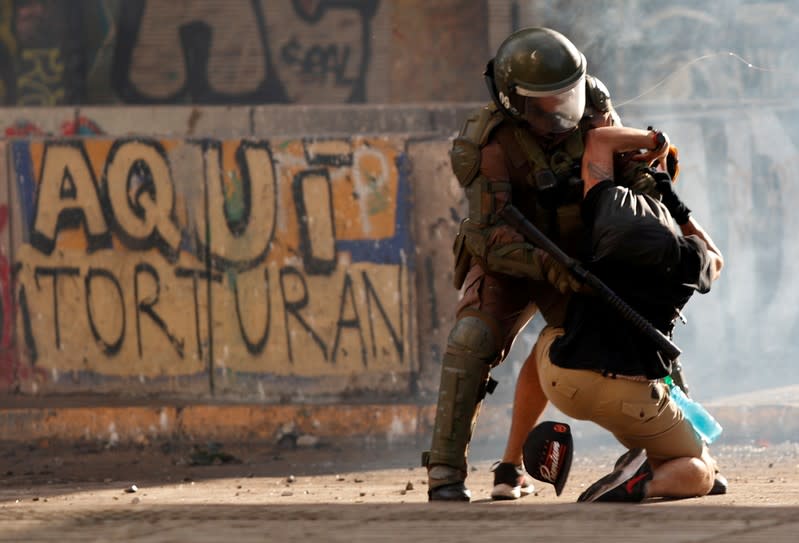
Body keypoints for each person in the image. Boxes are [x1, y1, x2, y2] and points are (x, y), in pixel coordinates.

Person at [423, 26, 626, 501]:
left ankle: (678, 450)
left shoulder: (593, 106)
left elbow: (624, 162)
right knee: (471, 340)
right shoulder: (486, 142)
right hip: (510, 264)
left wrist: (649, 177)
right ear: (516, 101)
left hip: (579, 257)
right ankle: (445, 472)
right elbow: (491, 236)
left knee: (636, 323)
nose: (563, 109)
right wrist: (547, 266)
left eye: (567, 95)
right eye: (547, 101)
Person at [531, 125, 724, 501]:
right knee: (702, 471)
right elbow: (717, 256)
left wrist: (655, 142)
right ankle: (642, 480)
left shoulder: (606, 212)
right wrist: (672, 197)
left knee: (550, 331)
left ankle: (527, 452)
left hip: (561, 378)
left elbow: (599, 139)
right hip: (628, 395)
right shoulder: (688, 257)